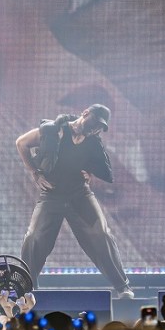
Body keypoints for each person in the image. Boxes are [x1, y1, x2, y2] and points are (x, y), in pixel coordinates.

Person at [16, 105, 133, 298]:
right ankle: (26, 290)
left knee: (101, 233)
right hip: (52, 196)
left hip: (80, 195)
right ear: (85, 113)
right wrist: (35, 173)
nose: (95, 129)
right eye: (94, 123)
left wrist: (90, 173)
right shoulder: (53, 130)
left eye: (100, 127)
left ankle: (123, 288)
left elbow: (100, 167)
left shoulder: (93, 142)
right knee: (34, 237)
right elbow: (21, 143)